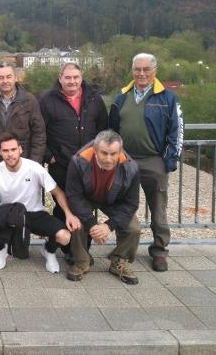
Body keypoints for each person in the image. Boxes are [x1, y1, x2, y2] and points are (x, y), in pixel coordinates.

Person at [109, 53, 183, 272]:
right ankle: (122, 251)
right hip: (125, 161)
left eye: (146, 69)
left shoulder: (167, 98)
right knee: (124, 208)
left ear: (155, 71)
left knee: (158, 209)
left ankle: (159, 252)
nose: (141, 73)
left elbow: (177, 131)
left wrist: (169, 161)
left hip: (154, 161)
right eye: (137, 69)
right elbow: (112, 130)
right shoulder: (122, 96)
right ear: (132, 71)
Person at [0, 132, 81, 271]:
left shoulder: (34, 167)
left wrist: (69, 214)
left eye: (13, 149)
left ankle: (49, 251)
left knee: (64, 236)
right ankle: (1, 249)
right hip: (10, 214)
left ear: (20, 149)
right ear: (0, 153)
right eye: (6, 151)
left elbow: (58, 192)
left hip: (35, 213)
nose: (10, 154)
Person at [39, 62, 108, 261]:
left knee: (85, 207)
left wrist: (102, 157)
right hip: (61, 164)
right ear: (60, 78)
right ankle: (63, 245)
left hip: (89, 165)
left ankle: (80, 251)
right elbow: (38, 131)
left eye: (76, 77)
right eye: (67, 77)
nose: (72, 81)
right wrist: (48, 156)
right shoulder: (47, 99)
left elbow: (104, 129)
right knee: (63, 207)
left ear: (81, 77)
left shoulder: (94, 98)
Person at [65, 130, 141, 284]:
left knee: (134, 228)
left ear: (119, 151)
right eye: (104, 153)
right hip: (86, 197)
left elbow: (131, 203)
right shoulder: (78, 161)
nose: (108, 159)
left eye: (114, 154)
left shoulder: (131, 167)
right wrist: (92, 225)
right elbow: (74, 197)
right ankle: (82, 261)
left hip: (114, 200)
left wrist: (109, 226)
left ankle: (118, 261)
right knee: (77, 223)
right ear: (95, 150)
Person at [0, 62, 46, 171]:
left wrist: (34, 162)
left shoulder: (29, 100)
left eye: (9, 77)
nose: (5, 81)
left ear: (16, 78)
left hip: (24, 162)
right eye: (1, 78)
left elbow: (39, 133)